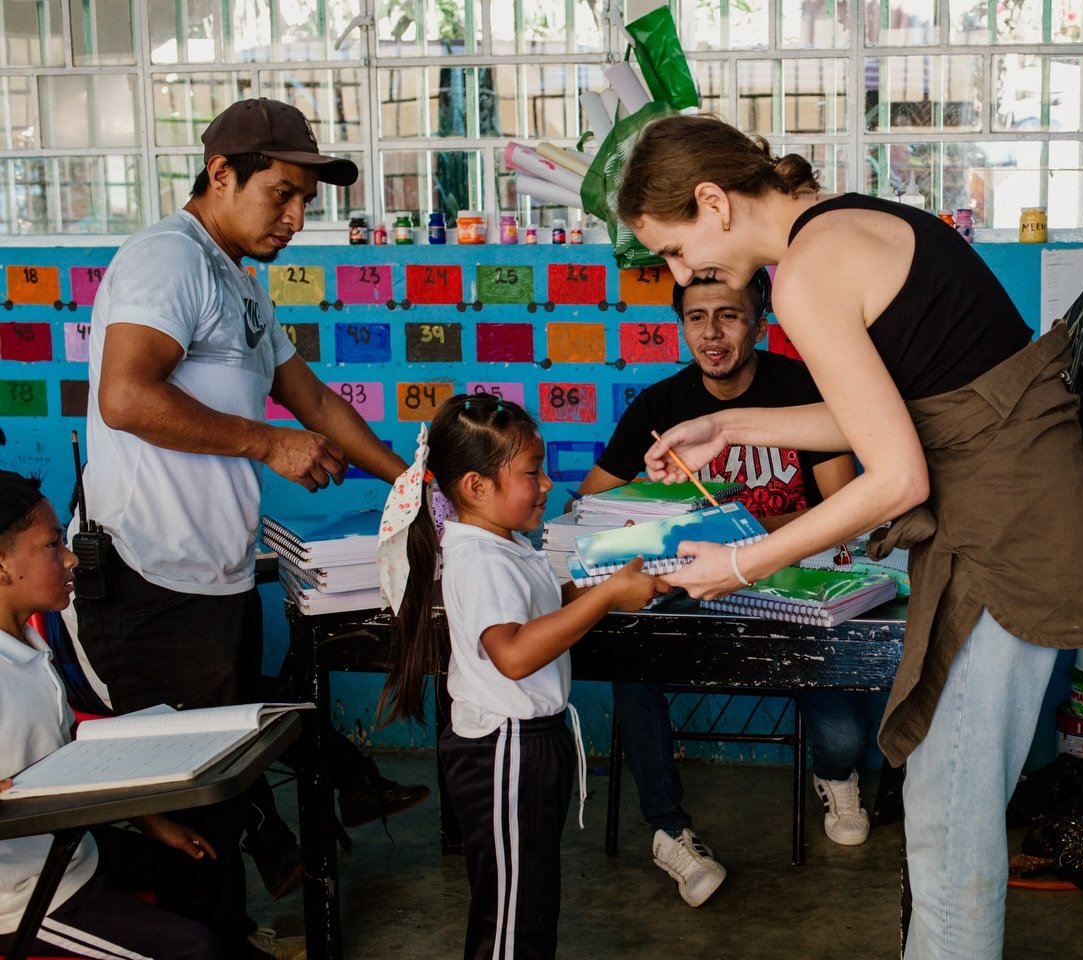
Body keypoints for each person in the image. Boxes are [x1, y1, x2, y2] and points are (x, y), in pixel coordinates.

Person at [617, 115, 1083, 959]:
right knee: (939, 801)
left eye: (674, 249)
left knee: (951, 821)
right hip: (1022, 511)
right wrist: (733, 422)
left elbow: (895, 477)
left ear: (712, 201)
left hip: (1012, 534)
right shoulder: (850, 223)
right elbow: (895, 413)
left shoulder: (806, 275)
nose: (679, 273)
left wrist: (741, 563)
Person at [67, 97, 425, 940]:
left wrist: (415, 481)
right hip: (148, 587)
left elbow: (317, 404)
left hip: (210, 582)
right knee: (192, 821)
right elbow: (125, 396)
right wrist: (270, 446)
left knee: (223, 807)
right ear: (220, 175)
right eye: (283, 195)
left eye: (308, 200)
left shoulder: (237, 282)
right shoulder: (167, 260)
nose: (298, 218)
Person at [573, 269, 871, 907]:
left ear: (760, 324)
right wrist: (659, 526)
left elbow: (848, 505)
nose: (711, 333)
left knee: (846, 736)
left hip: (789, 581)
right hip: (690, 588)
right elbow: (590, 505)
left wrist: (753, 537)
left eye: (730, 316)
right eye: (696, 317)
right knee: (632, 651)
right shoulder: (658, 406)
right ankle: (668, 831)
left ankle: (836, 774)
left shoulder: (800, 391)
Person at [376, 395, 667, 960]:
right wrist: (608, 595)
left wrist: (614, 573)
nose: (548, 484)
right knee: (512, 918)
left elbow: (543, 611)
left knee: (525, 904)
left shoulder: (504, 544)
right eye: (532, 473)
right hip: (504, 750)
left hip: (527, 743)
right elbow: (512, 654)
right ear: (476, 487)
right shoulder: (482, 559)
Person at [0, 470, 228, 959]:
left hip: (71, 854)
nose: (69, 557)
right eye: (51, 544)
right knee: (195, 949)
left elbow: (69, 762)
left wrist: (151, 822)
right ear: (1, 564)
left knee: (198, 866)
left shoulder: (28, 644)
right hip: (24, 900)